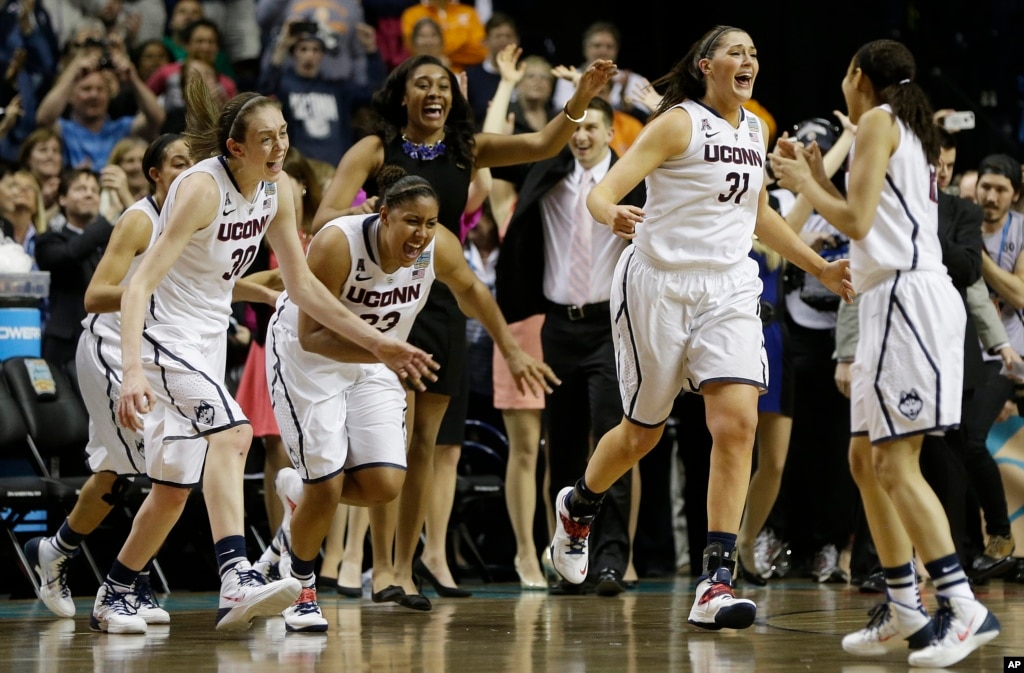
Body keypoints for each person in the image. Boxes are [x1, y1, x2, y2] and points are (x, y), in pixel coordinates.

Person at [94, 75, 438, 635]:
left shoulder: (279, 191)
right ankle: (237, 574)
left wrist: (377, 342)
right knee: (234, 435)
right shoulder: (202, 189)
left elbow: (302, 288)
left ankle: (116, 590)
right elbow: (137, 286)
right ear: (235, 147)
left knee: (175, 484)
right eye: (266, 139)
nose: (279, 148)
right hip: (162, 331)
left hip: (206, 334)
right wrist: (132, 368)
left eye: (284, 135)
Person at [547, 25, 852, 631]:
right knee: (641, 434)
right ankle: (579, 504)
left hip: (728, 286)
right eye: (737, 51)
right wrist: (612, 213)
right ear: (706, 65)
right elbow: (604, 192)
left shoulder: (755, 129)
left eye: (756, 53)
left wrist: (819, 265)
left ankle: (716, 581)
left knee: (737, 423)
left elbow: (758, 212)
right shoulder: (677, 123)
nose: (749, 60)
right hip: (657, 283)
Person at [313, 51, 616, 605]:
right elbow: (323, 220)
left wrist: (581, 98)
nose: (435, 93)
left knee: (426, 444)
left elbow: (543, 145)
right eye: (422, 84)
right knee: (394, 442)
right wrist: (371, 211)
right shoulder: (374, 150)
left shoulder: (465, 149)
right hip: (385, 302)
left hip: (442, 303)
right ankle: (381, 571)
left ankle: (406, 568)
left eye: (444, 86)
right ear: (401, 96)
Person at [771, 38, 1000, 667]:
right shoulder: (898, 124)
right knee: (863, 462)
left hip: (908, 299)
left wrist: (799, 184)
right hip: (881, 299)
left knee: (897, 464)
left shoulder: (877, 119)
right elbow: (869, 212)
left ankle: (963, 605)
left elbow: (859, 221)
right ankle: (905, 609)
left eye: (845, 72)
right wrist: (818, 177)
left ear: (858, 77)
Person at [267, 165, 556, 629]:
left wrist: (512, 349)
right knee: (328, 485)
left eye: (429, 223)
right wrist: (381, 347)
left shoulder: (435, 247)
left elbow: (472, 291)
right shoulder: (338, 243)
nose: (422, 233)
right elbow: (312, 337)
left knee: (384, 485)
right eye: (411, 222)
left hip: (380, 357)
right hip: (311, 359)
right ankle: (300, 586)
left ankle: (300, 494)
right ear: (383, 215)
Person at [22, 134, 196, 622]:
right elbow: (95, 295)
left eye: (195, 163)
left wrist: (264, 290)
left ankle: (58, 550)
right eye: (178, 163)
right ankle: (128, 584)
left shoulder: (196, 218)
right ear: (155, 174)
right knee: (164, 470)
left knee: (120, 471)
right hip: (111, 346)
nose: (191, 172)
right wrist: (147, 293)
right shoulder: (140, 219)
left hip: (160, 349)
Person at [496, 96, 643, 596]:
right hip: (557, 326)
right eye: (575, 127)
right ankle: (567, 564)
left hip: (610, 326)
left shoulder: (631, 180)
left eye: (592, 127)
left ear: (610, 133)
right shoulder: (548, 175)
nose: (581, 136)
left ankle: (609, 562)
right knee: (560, 451)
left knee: (612, 441)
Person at [35, 168, 123, 373]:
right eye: (81, 188)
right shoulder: (49, 240)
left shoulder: (111, 241)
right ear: (63, 199)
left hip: (108, 338)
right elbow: (71, 252)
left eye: (94, 190)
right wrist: (107, 220)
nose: (90, 193)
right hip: (65, 342)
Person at [35, 39, 165, 169]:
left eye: (100, 89)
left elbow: (157, 119)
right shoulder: (64, 130)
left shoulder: (121, 129)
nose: (94, 95)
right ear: (71, 97)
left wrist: (133, 78)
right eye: (86, 89)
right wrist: (74, 70)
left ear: (109, 95)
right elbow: (43, 118)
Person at [399, 0, 486, 74]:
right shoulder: (412, 14)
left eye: (434, 36)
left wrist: (441, 54)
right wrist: (461, 44)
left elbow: (481, 52)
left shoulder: (469, 13)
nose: (430, 41)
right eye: (425, 36)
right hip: (421, 69)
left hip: (465, 73)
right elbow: (412, 48)